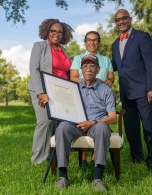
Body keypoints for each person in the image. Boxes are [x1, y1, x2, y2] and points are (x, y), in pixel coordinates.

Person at [54, 54, 116, 192]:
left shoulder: (106, 90)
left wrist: (93, 122)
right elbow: (62, 105)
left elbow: (112, 117)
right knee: (63, 126)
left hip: (96, 124)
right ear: (81, 69)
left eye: (92, 66)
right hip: (76, 125)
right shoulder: (73, 88)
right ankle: (63, 177)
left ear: (98, 69)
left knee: (102, 128)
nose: (88, 69)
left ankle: (97, 178)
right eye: (85, 66)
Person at [111, 9, 152, 171]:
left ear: (130, 19)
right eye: (118, 20)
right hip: (126, 93)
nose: (121, 22)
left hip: (143, 91)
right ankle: (136, 157)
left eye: (124, 18)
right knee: (131, 128)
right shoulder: (115, 44)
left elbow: (151, 63)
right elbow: (114, 66)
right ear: (115, 23)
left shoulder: (142, 37)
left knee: (148, 127)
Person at [27, 18, 74, 164]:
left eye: (60, 32)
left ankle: (51, 156)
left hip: (59, 91)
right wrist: (41, 92)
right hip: (41, 89)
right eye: (53, 31)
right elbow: (34, 69)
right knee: (45, 122)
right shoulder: (40, 46)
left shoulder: (63, 50)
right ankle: (37, 159)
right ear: (47, 31)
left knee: (57, 124)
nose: (57, 34)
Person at [70, 31, 114, 165]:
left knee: (98, 118)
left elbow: (111, 77)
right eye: (89, 40)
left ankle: (97, 158)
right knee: (85, 113)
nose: (92, 42)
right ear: (85, 43)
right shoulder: (78, 58)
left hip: (100, 94)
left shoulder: (106, 59)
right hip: (84, 91)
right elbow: (73, 78)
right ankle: (83, 158)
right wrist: (90, 78)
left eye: (95, 40)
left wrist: (105, 83)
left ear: (99, 43)